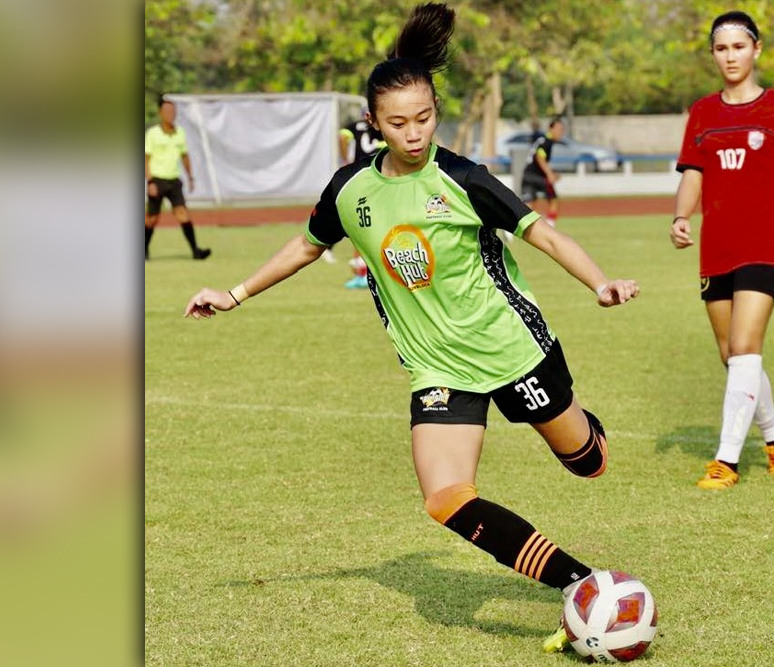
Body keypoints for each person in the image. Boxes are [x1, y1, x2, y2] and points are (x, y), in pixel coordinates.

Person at [184, 2, 640, 653]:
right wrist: (233, 292)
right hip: (438, 367)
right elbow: (307, 246)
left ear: (436, 111)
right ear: (373, 123)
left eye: (424, 117)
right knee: (446, 496)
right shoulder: (349, 191)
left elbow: (542, 233)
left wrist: (599, 281)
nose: (415, 132)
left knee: (588, 463)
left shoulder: (463, 179)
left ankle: (582, 426)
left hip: (512, 347)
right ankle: (581, 583)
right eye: (398, 122)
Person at [669, 11, 774, 489]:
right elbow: (693, 173)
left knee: (746, 347)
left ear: (756, 49)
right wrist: (681, 216)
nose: (730, 56)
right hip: (716, 247)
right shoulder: (702, 113)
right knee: (732, 355)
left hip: (766, 246)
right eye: (721, 49)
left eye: (738, 47)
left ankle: (725, 461)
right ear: (713, 55)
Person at [322, 109, 387, 287]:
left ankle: (358, 265)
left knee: (358, 218)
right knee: (369, 220)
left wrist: (346, 160)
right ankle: (362, 268)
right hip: (376, 176)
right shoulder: (382, 127)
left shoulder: (354, 126)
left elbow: (342, 137)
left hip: (357, 176)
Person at [145, 96, 211, 261]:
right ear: (160, 113)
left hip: (174, 181)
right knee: (152, 219)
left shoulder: (179, 132)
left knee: (183, 215)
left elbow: (184, 156)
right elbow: (146, 159)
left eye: (173, 111)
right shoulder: (152, 134)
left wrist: (190, 177)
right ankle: (144, 250)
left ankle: (195, 250)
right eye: (167, 111)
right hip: (157, 180)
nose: (171, 114)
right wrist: (150, 181)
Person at [520, 117, 565, 227]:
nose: (561, 132)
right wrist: (550, 174)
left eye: (562, 130)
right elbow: (540, 158)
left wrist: (551, 172)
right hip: (538, 177)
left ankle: (509, 233)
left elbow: (538, 158)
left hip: (527, 174)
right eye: (559, 129)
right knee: (553, 200)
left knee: (528, 207)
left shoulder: (542, 140)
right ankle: (550, 226)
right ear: (551, 129)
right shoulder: (547, 141)